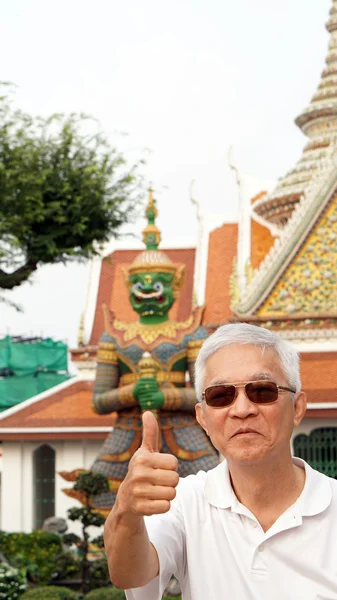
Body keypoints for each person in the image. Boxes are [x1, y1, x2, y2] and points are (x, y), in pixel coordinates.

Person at [104, 323, 337, 599]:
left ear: (297, 408)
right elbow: (130, 574)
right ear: (202, 417)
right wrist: (127, 511)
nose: (242, 410)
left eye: (262, 391)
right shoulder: (184, 502)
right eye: (221, 396)